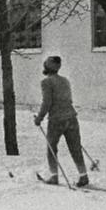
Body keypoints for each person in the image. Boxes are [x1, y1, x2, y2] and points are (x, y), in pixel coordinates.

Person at [34, 56, 89, 187]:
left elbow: (47, 102)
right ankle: (83, 175)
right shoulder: (65, 80)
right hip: (71, 117)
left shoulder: (46, 82)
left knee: (51, 147)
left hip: (56, 120)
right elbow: (69, 99)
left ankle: (54, 176)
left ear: (46, 68)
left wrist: (39, 118)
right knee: (75, 148)